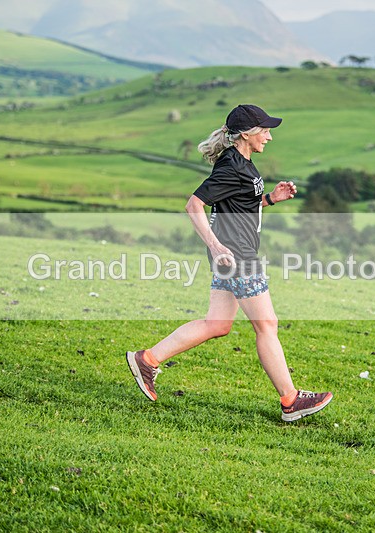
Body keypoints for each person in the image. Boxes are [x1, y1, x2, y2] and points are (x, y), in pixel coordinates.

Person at [127, 104, 333, 422]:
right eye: (264, 130)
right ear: (247, 134)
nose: (269, 137)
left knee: (218, 324)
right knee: (267, 325)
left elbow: (238, 204)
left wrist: (269, 199)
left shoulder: (242, 164)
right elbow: (194, 205)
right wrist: (215, 244)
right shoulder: (231, 166)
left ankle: (148, 359)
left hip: (233, 256)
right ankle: (291, 400)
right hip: (237, 257)